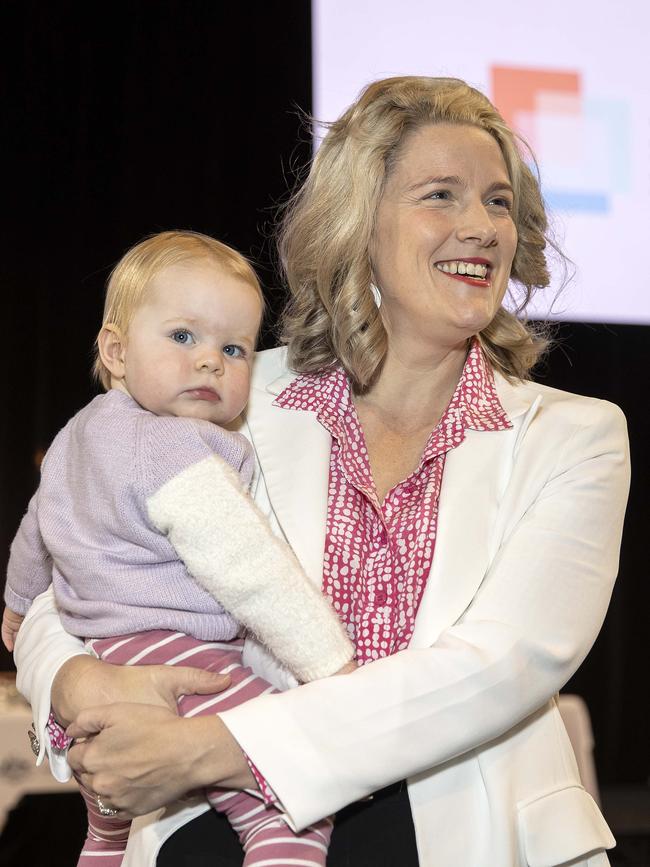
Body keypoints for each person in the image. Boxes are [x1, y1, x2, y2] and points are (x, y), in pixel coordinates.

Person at [13, 77, 630, 867]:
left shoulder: (576, 434)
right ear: (359, 223)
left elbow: (502, 665)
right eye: (441, 195)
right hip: (215, 831)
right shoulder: (231, 390)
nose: (479, 226)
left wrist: (220, 745)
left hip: (465, 835)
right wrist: (69, 682)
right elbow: (80, 550)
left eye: (500, 202)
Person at [3, 230, 355, 867]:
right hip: (178, 656)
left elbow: (37, 529)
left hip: (105, 651)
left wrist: (19, 603)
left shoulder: (74, 434)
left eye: (234, 348)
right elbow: (252, 572)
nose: (210, 362)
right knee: (289, 802)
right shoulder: (175, 450)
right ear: (115, 349)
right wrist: (334, 668)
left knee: (106, 827)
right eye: (183, 337)